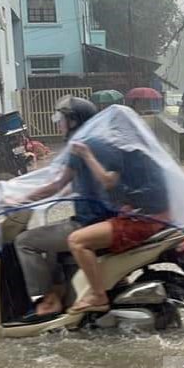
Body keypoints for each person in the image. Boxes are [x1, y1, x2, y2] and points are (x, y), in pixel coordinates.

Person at [13, 96, 117, 319]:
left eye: (63, 119)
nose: (58, 123)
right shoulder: (96, 142)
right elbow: (77, 183)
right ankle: (63, 289)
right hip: (102, 217)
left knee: (24, 242)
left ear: (74, 121)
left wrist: (20, 199)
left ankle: (45, 297)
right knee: (49, 242)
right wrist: (62, 193)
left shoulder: (80, 147)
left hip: (88, 222)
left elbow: (56, 184)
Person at [66, 148, 170, 313]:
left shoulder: (124, 151)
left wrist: (87, 154)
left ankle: (98, 296)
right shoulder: (144, 149)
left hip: (146, 220)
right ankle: (120, 283)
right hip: (154, 216)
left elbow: (108, 181)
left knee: (76, 241)